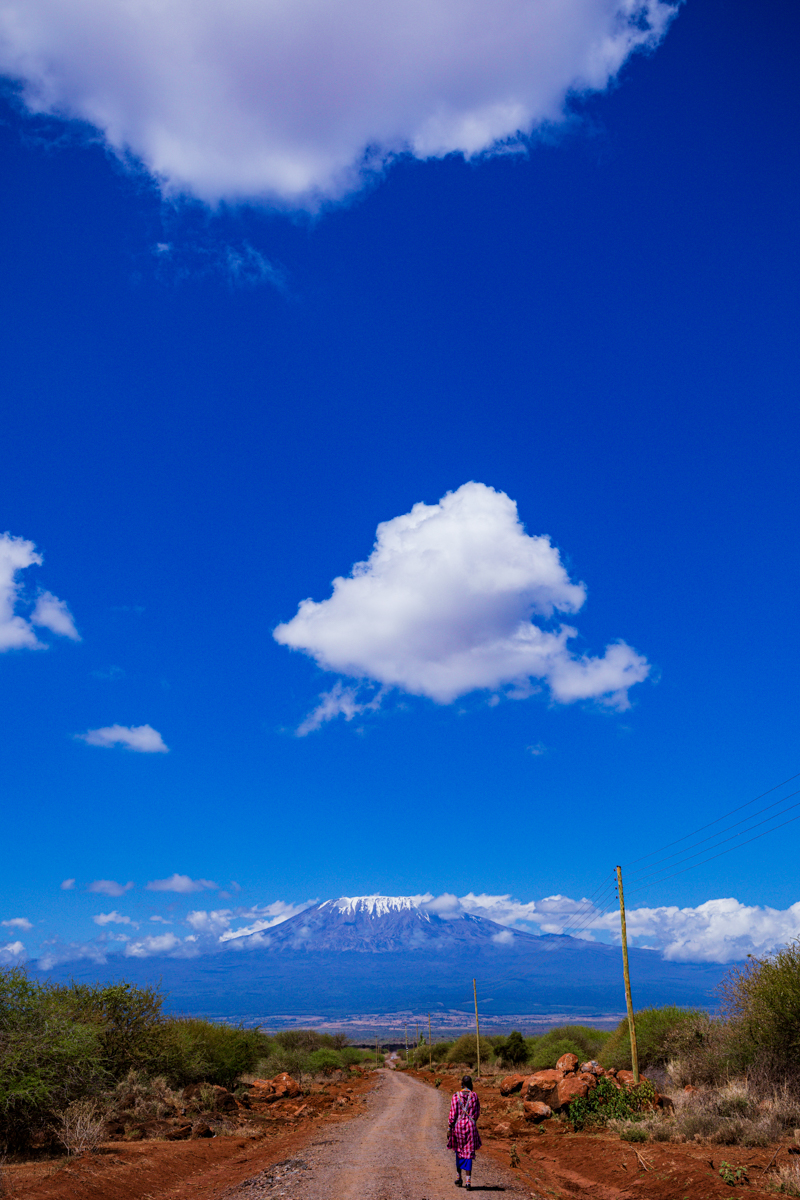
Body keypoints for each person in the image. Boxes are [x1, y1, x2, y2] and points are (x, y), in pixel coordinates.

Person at [448, 1074, 481, 1189]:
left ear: (462, 1083)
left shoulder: (456, 1096)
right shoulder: (474, 1096)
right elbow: (477, 1113)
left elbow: (452, 1114)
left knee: (459, 1150)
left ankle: (458, 1177)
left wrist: (449, 1128)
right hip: (470, 1127)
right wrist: (471, 1121)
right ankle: (468, 1181)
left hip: (458, 1128)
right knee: (469, 1152)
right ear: (471, 1084)